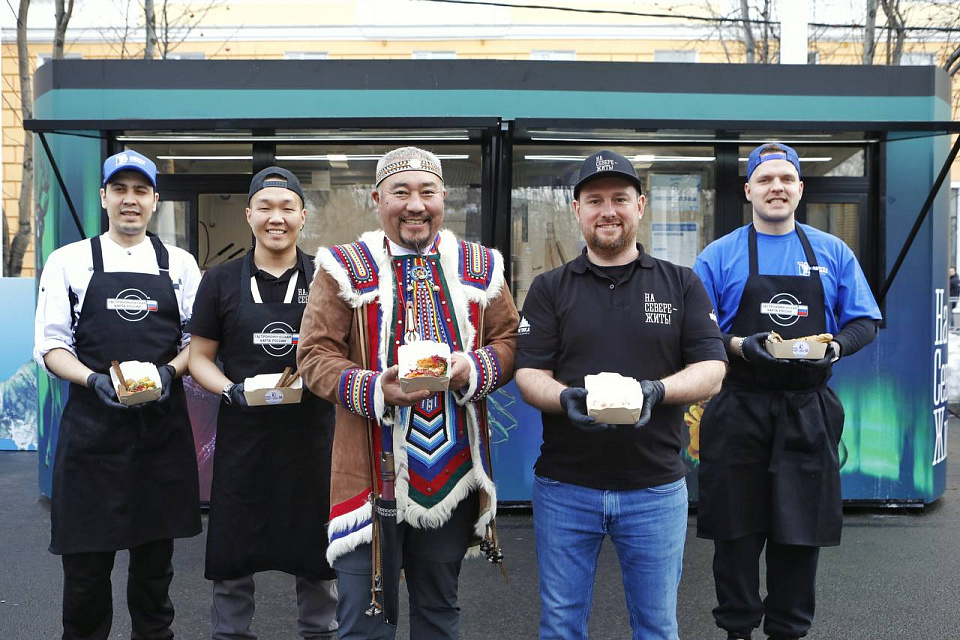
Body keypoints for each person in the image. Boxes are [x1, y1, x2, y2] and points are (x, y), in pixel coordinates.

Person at [297, 146, 519, 640]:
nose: (415, 205)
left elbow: (508, 341)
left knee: (439, 614)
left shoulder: (480, 266)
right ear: (378, 200)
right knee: (365, 622)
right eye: (401, 192)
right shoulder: (342, 267)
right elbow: (313, 355)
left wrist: (472, 367)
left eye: (427, 192)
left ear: (444, 198)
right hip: (367, 475)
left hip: (452, 474)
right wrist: (376, 387)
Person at [514, 150, 728, 640]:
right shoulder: (549, 288)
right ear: (577, 210)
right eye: (594, 201)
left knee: (656, 626)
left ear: (640, 206)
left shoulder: (681, 283)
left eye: (619, 199)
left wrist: (657, 391)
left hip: (655, 489)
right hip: (565, 487)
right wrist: (565, 399)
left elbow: (712, 371)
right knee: (561, 625)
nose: (607, 211)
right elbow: (529, 373)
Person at [693, 143, 882, 640]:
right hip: (738, 409)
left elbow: (864, 322)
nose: (775, 187)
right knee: (735, 538)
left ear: (800, 188)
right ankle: (737, 630)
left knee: (799, 538)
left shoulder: (832, 252)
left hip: (808, 412)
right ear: (748, 190)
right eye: (765, 179)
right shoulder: (718, 256)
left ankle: (788, 630)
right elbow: (696, 331)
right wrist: (739, 345)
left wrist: (834, 348)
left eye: (785, 179)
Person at [33, 149, 201, 640]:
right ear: (104, 197)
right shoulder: (68, 261)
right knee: (85, 580)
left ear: (155, 200)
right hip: (91, 441)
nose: (131, 200)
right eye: (120, 190)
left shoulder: (180, 265)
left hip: (160, 440)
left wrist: (168, 373)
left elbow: (197, 343)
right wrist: (94, 380)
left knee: (154, 580)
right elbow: (51, 346)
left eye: (141, 190)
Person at [187, 167, 338, 640]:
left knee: (318, 555)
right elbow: (199, 357)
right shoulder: (219, 281)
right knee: (233, 553)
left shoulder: (328, 279)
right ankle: (230, 634)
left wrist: (327, 379)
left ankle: (320, 632)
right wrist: (229, 389)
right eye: (266, 207)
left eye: (287, 208)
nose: (277, 218)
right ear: (248, 214)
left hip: (312, 441)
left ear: (303, 216)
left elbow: (344, 353)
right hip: (243, 443)